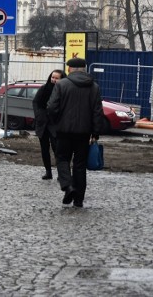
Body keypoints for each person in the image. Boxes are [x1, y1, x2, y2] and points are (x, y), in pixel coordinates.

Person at [47, 58, 104, 208]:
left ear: (70, 69)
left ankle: (68, 186)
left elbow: (52, 107)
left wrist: (56, 122)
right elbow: (98, 111)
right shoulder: (94, 87)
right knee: (80, 165)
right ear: (84, 69)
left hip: (64, 131)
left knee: (62, 159)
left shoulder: (62, 85)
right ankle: (78, 199)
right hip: (84, 133)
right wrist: (95, 132)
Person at [32, 69, 66, 180]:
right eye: (52, 77)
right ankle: (48, 171)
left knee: (58, 150)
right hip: (43, 124)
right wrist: (38, 115)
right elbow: (35, 102)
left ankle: (62, 173)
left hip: (56, 124)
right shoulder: (44, 89)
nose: (54, 80)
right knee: (44, 149)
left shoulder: (64, 90)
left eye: (57, 78)